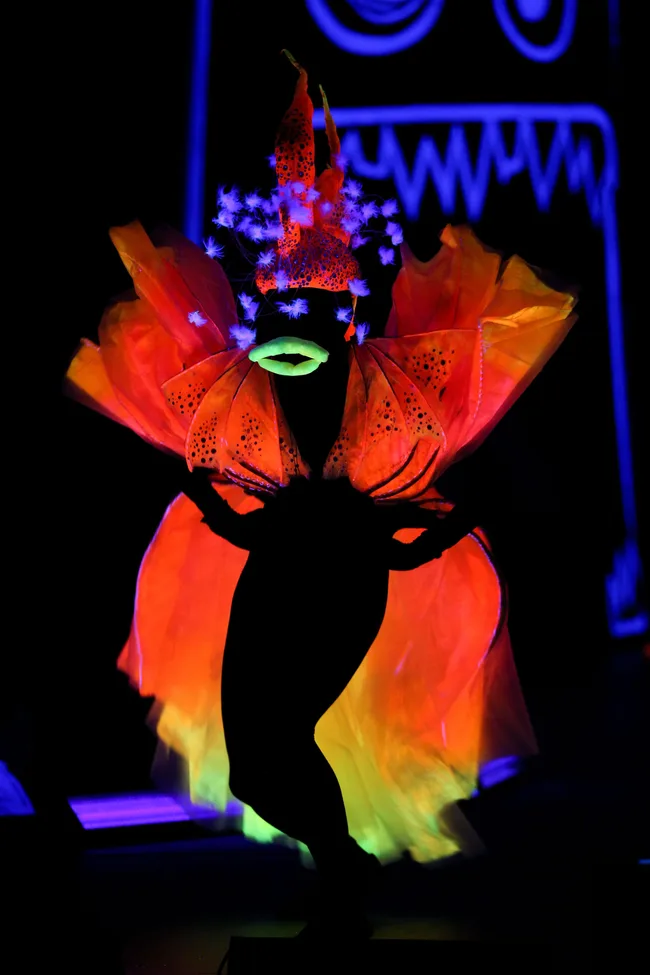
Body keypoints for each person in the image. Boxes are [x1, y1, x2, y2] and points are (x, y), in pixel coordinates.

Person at [65, 53, 576, 941]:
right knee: (254, 764)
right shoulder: (241, 399)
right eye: (280, 311)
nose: (292, 330)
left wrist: (433, 534)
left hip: (341, 585)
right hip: (272, 578)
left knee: (280, 742)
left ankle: (340, 871)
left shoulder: (392, 401)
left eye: (313, 314)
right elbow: (244, 505)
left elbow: (416, 515)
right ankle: (339, 861)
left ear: (343, 320)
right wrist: (214, 506)